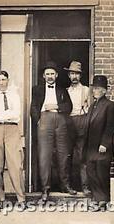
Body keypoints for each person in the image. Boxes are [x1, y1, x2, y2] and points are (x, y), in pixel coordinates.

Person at [30, 62, 76, 203]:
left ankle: (65, 185)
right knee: (44, 155)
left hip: (60, 120)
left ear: (56, 75)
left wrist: (56, 106)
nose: (50, 76)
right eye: (47, 74)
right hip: (45, 120)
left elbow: (69, 106)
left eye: (52, 74)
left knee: (63, 154)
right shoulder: (37, 89)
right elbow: (33, 107)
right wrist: (38, 120)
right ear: (44, 76)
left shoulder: (62, 89)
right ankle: (45, 189)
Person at [0, 71, 26, 208]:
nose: (1, 82)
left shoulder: (15, 96)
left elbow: (16, 114)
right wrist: (5, 115)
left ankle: (21, 199)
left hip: (12, 130)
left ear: (8, 80)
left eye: (4, 79)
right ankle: (0, 198)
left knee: (16, 164)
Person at [84, 75, 114, 209]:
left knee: (101, 173)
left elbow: (112, 127)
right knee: (91, 172)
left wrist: (105, 143)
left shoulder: (110, 106)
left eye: (97, 89)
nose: (94, 91)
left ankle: (103, 201)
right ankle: (98, 199)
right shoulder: (93, 106)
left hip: (102, 147)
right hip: (91, 147)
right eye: (94, 88)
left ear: (104, 91)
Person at [64, 61, 91, 195]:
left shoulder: (86, 90)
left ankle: (85, 186)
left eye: (77, 74)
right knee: (67, 156)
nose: (74, 76)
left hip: (82, 121)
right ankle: (68, 186)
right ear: (69, 75)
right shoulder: (66, 91)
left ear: (80, 76)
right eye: (72, 73)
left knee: (82, 157)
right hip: (69, 122)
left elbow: (90, 109)